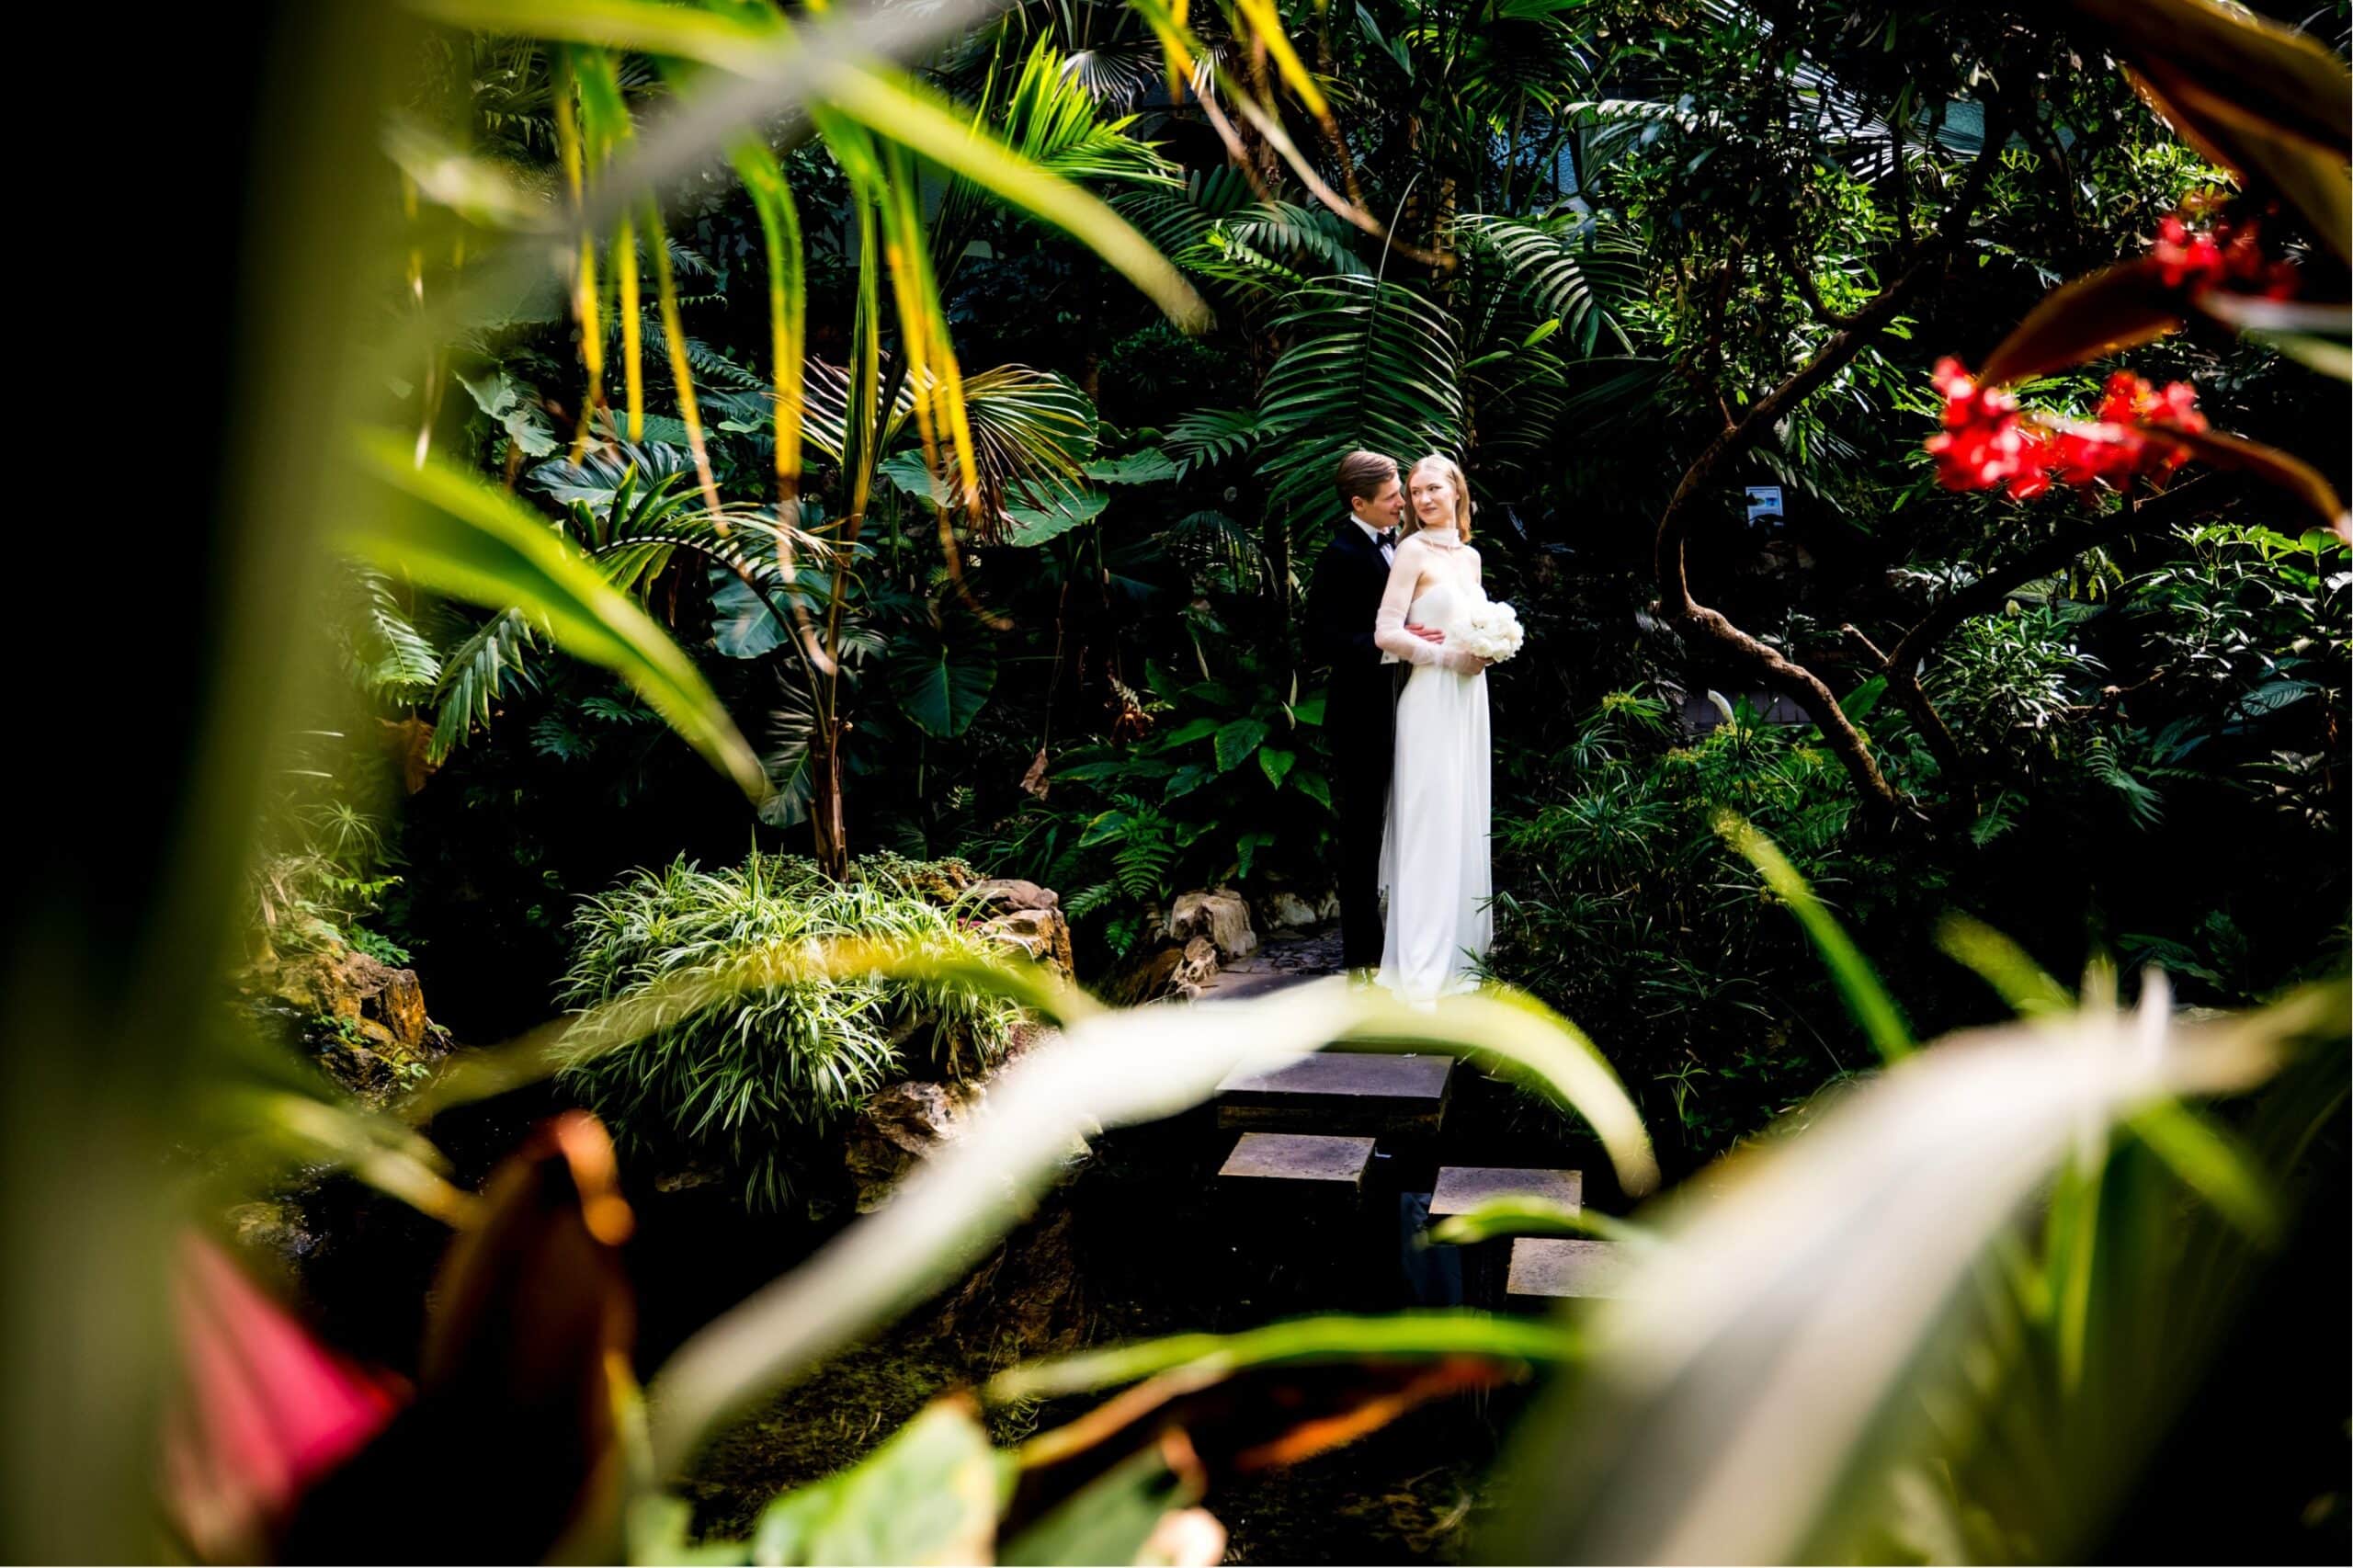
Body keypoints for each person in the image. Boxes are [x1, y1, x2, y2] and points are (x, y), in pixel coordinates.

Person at [1305, 451, 1444, 977]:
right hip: (1361, 714)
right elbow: (1320, 641)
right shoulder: (1338, 556)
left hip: (1415, 706)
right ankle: (1362, 958)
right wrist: (1395, 646)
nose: (1403, 504)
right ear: (1358, 503)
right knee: (1363, 836)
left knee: (1415, 825)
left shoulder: (1407, 547)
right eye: (1392, 498)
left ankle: (1412, 945)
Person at [1370, 453, 1493, 1006]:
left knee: (1465, 819)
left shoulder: (1471, 558)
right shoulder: (1410, 552)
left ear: (1457, 493)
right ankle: (1420, 966)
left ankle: (1463, 959)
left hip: (1470, 701)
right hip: (1429, 700)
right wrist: (1445, 659)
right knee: (1428, 826)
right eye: (1415, 491)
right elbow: (1385, 634)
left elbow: (1475, 625)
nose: (1421, 499)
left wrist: (1489, 649)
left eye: (1433, 489)